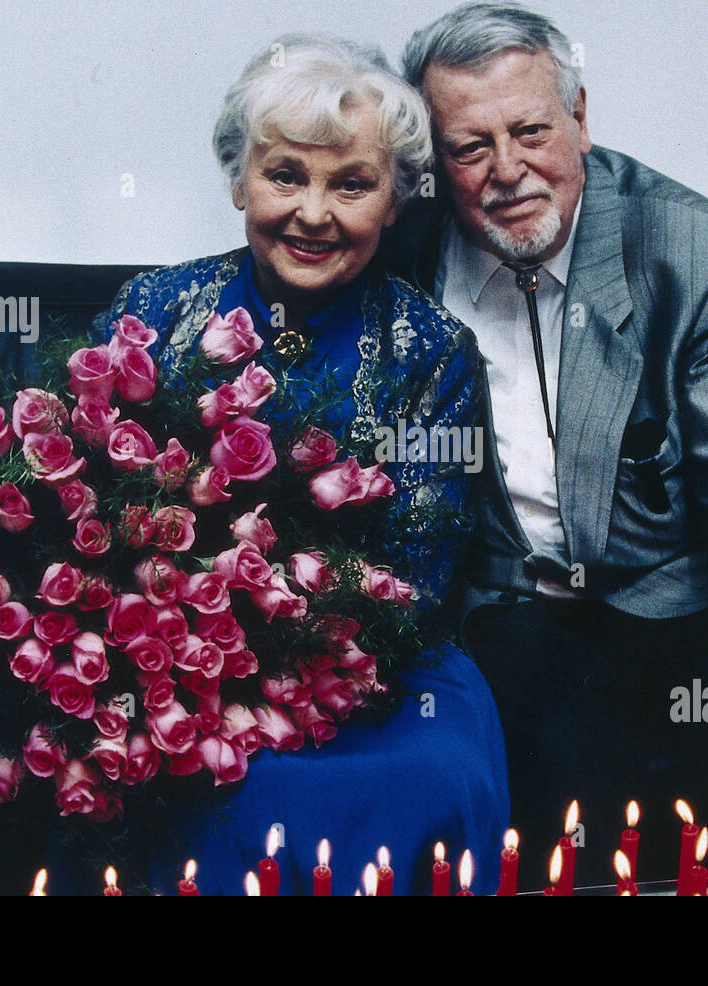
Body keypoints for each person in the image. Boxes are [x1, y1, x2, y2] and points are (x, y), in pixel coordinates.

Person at [382, 1, 708, 882]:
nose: (508, 172)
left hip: (655, 600)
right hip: (495, 606)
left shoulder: (698, 252)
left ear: (581, 118)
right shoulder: (394, 247)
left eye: (531, 131)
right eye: (469, 147)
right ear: (432, 160)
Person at [72, 34, 508, 895]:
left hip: (377, 672)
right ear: (239, 181)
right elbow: (87, 518)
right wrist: (188, 637)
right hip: (172, 661)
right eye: (285, 176)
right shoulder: (152, 312)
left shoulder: (432, 349)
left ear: (395, 204)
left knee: (436, 769)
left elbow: (416, 573)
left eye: (351, 184)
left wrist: (274, 636)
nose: (314, 212)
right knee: (190, 771)